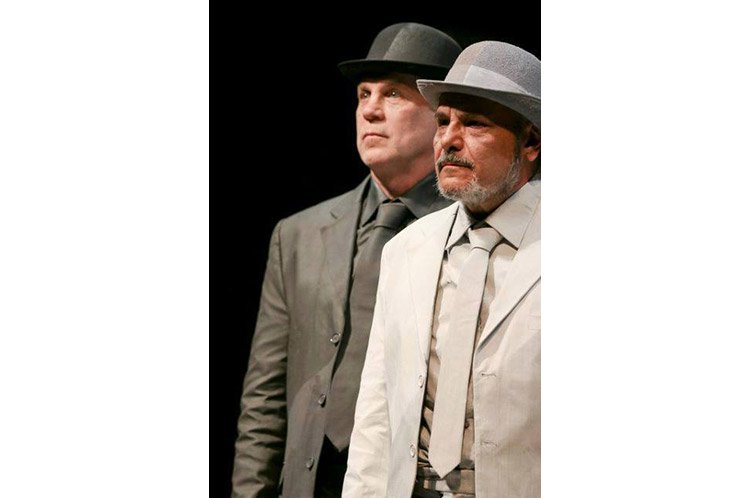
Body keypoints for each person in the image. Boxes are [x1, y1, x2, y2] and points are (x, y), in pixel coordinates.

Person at [232, 23, 461, 498]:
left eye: (393, 94)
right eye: (363, 94)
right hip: (310, 481)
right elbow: (264, 397)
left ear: (443, 117)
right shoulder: (298, 235)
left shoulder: (469, 234)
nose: (370, 110)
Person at [342, 41, 542, 498]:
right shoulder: (407, 249)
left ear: (530, 141)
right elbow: (377, 413)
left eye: (474, 123)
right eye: (442, 121)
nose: (448, 139)